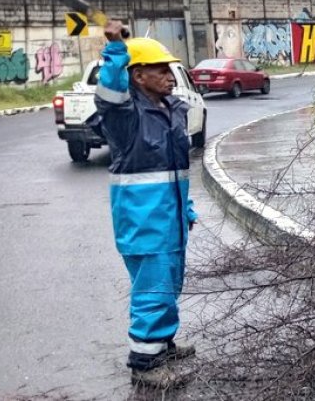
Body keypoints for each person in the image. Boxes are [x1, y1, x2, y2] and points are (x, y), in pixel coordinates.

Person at [89, 20, 197, 388]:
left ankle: (161, 345)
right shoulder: (126, 118)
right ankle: (145, 365)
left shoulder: (171, 109)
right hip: (144, 220)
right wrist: (117, 49)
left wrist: (188, 208)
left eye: (169, 69)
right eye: (161, 70)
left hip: (171, 218)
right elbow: (108, 95)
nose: (170, 76)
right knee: (153, 289)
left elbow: (176, 168)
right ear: (138, 77)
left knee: (168, 282)